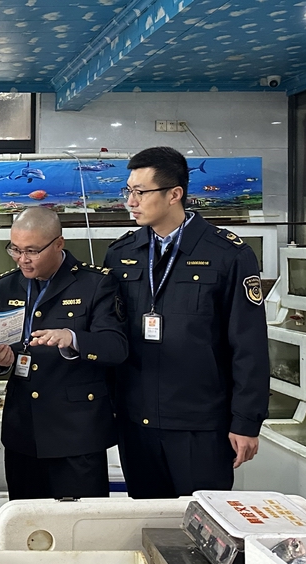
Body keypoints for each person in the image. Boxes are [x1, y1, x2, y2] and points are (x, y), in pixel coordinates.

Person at [103, 146, 269, 498]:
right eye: (128, 191)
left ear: (174, 194)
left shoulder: (227, 255)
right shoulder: (121, 254)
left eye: (140, 192)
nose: (130, 201)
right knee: (147, 521)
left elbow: (249, 346)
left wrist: (246, 421)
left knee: (203, 522)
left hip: (201, 425)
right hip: (137, 423)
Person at [0, 207, 127, 500]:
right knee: (26, 520)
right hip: (23, 430)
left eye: (32, 251)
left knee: (79, 522)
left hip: (76, 432)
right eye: (15, 249)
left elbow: (116, 347)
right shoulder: (7, 285)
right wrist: (2, 361)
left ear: (58, 244)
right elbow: (9, 349)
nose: (22, 259)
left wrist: (73, 338)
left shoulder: (95, 283)